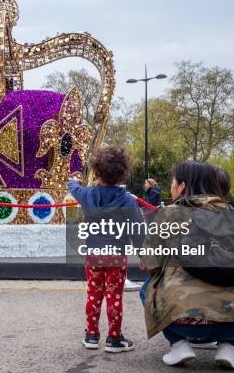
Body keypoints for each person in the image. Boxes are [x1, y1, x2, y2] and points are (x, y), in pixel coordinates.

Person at [140, 162, 234, 370]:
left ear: (182, 186)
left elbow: (150, 262)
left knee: (148, 288)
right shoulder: (229, 212)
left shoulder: (171, 214)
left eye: (172, 182)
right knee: (228, 282)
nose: (170, 186)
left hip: (186, 318)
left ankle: (178, 345)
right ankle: (228, 346)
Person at [68, 146, 142, 353]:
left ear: (96, 172)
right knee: (114, 296)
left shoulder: (87, 195)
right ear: (122, 173)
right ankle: (114, 338)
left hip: (93, 255)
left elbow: (74, 188)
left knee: (93, 294)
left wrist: (72, 180)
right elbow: (138, 232)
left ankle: (91, 335)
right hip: (116, 256)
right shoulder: (128, 201)